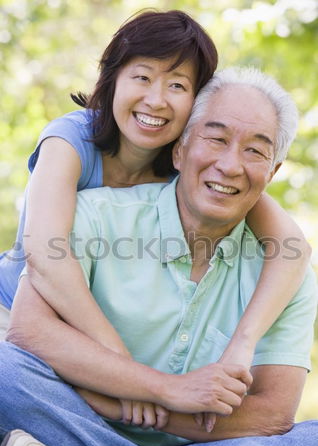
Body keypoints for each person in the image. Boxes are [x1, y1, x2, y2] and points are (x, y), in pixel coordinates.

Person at [0, 66, 317, 446]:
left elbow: (271, 415)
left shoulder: (285, 268)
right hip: (80, 422)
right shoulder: (96, 214)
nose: (231, 165)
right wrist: (168, 389)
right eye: (216, 139)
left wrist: (136, 407)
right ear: (179, 151)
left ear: (272, 173)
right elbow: (29, 331)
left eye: (255, 151)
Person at [0, 10, 311, 375]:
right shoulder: (70, 141)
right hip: (15, 316)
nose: (156, 99)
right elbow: (45, 257)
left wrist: (242, 344)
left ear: (196, 101)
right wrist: (120, 361)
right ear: (112, 79)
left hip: (85, 344)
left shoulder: (196, 164)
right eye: (142, 77)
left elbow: (292, 249)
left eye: (177, 85)